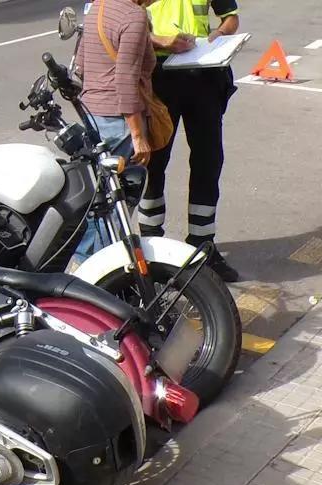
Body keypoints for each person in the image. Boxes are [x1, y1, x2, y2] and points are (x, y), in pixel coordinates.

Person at [139, 0, 241, 282]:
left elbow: (230, 18)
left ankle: (202, 245)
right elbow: (116, 23)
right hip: (158, 73)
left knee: (208, 160)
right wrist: (162, 41)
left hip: (203, 72)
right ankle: (149, 248)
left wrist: (219, 36)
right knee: (154, 162)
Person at [73, 0, 158, 258]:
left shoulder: (98, 7)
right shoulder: (133, 16)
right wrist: (138, 135)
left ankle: (82, 262)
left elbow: (81, 64)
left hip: (93, 116)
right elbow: (125, 81)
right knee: (118, 199)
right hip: (119, 122)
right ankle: (105, 269)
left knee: (96, 198)